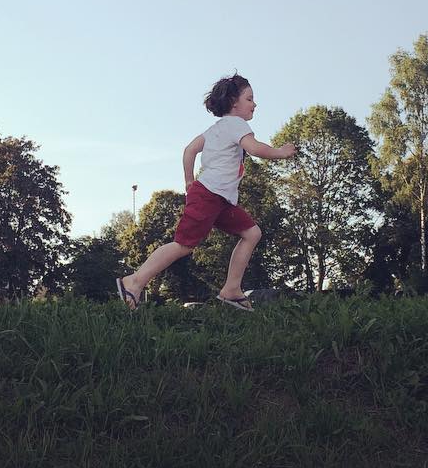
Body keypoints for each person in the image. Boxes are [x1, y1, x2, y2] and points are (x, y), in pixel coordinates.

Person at [116, 73, 295, 312]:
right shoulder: (236, 124)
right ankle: (135, 281)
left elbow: (189, 150)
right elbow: (254, 149)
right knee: (183, 245)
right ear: (234, 103)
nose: (254, 104)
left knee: (252, 233)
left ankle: (232, 289)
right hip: (210, 195)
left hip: (219, 199)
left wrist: (189, 181)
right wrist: (281, 152)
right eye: (250, 99)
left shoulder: (214, 130)